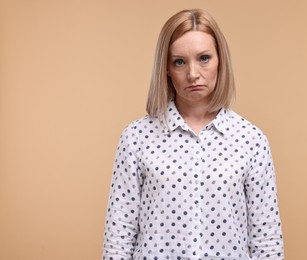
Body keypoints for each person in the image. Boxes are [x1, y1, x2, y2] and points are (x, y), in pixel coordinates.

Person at [103, 9, 284, 260]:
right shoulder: (136, 137)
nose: (193, 74)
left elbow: (267, 240)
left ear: (220, 60)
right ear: (166, 68)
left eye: (204, 58)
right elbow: (119, 235)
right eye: (179, 61)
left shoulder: (251, 140)